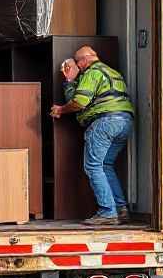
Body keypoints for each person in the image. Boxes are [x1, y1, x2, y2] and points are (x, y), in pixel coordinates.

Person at [50, 46, 135, 226]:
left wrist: (61, 109)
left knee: (93, 167)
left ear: (83, 61)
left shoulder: (92, 72)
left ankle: (107, 212)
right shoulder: (112, 72)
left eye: (78, 64)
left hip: (105, 122)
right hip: (124, 122)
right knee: (105, 165)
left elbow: (80, 102)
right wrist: (70, 81)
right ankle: (121, 209)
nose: (79, 69)